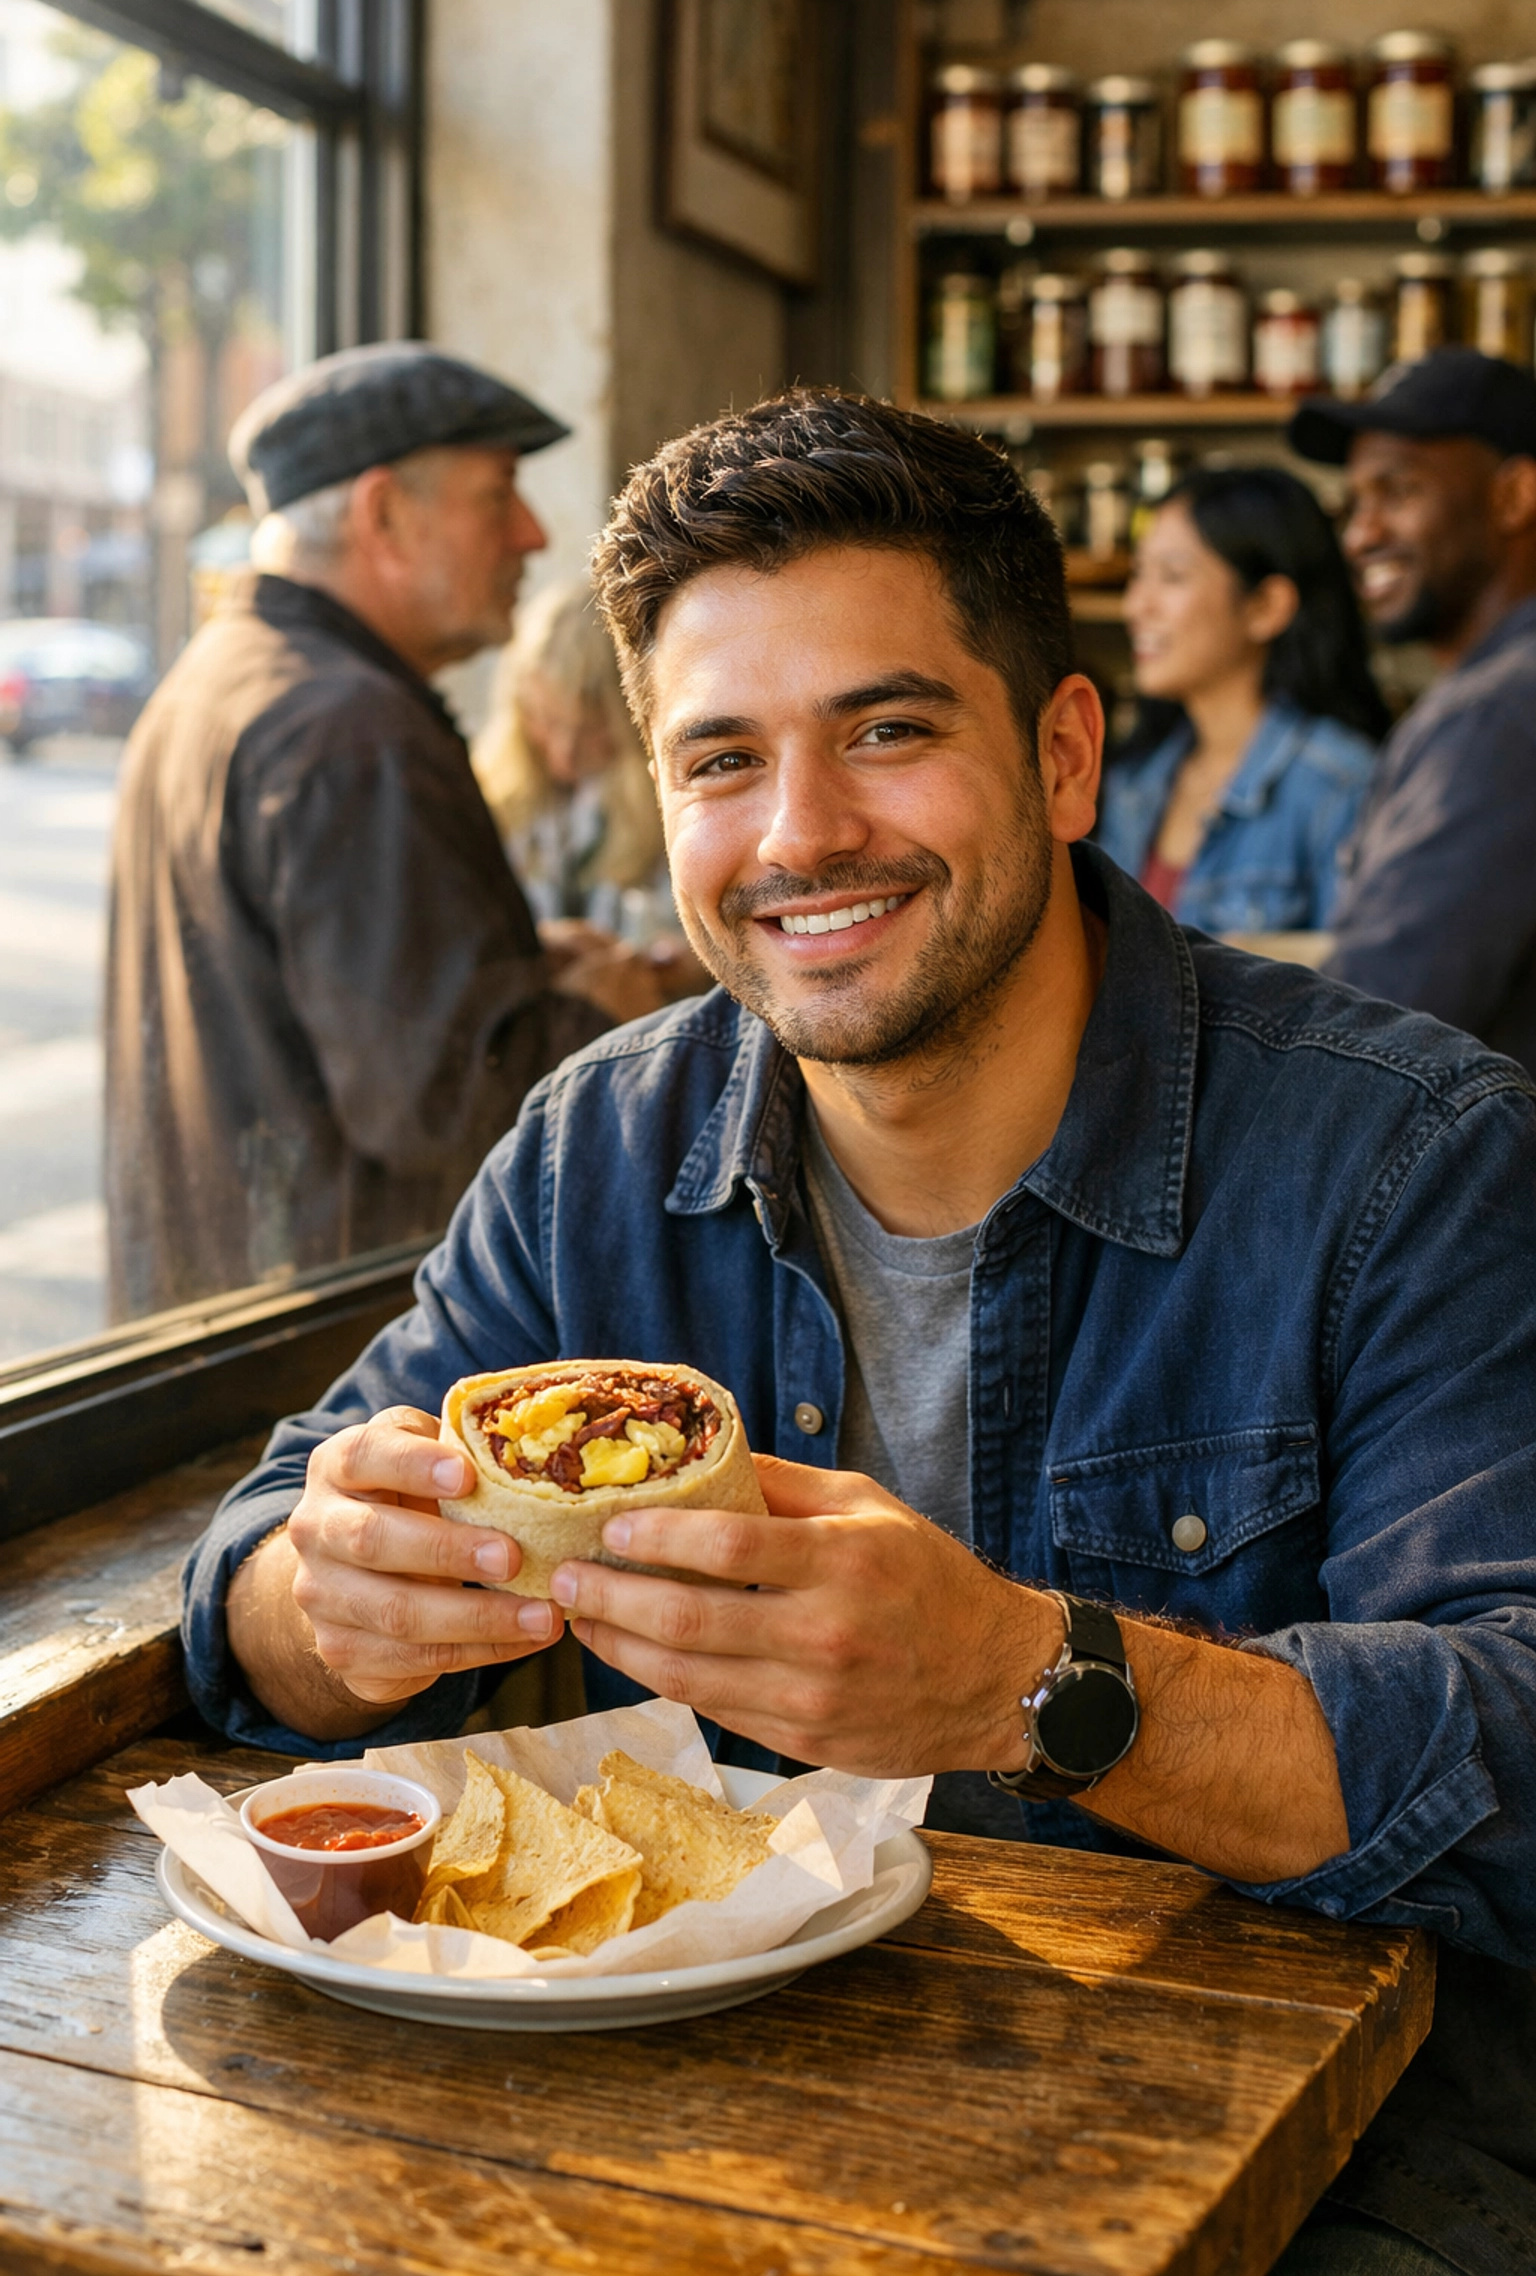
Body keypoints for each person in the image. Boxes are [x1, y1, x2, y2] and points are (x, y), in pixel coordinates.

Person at [185, 392, 1536, 2276]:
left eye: (887, 730)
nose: (800, 835)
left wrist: (1023, 1680)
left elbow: (1517, 1752)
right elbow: (253, 1569)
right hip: (710, 2152)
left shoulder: (1410, 1153)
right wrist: (330, 1603)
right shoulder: (598, 1146)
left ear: (1065, 753)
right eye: (720, 760)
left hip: (1323, 2181)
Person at [105, 342, 666, 1320]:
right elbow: (451, 1111)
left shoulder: (219, 682)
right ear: (383, 514)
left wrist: (519, 967)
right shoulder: (352, 734)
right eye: (500, 494)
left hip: (220, 1316)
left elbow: (307, 1007)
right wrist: (608, 1012)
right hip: (340, 1347)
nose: (532, 535)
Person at [1289, 346, 1536, 1073]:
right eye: (1353, 503)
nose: (1360, 535)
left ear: (1515, 496)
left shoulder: (1498, 716)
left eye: (1397, 491)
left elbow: (1376, 1033)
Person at [1098, 465, 1387, 933]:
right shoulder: (1136, 780)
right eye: (1138, 574)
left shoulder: (1339, 787)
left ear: (1266, 606)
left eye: (1171, 576)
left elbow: (1361, 994)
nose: (1136, 605)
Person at [473, 579, 674, 935]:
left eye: (589, 729)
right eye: (546, 721)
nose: (564, 751)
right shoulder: (495, 799)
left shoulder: (663, 806)